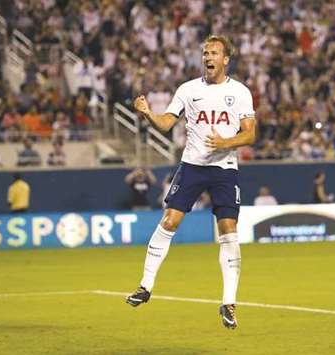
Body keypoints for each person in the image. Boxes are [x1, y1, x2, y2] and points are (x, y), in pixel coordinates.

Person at [126, 35, 256, 330]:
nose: (208, 57)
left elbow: (250, 134)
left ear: (226, 59)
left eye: (214, 53)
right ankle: (145, 286)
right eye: (205, 52)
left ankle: (229, 303)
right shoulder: (188, 90)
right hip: (193, 166)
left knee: (228, 229)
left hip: (224, 168)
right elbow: (166, 123)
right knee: (169, 221)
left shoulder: (240, 92)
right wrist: (147, 114)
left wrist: (226, 141)